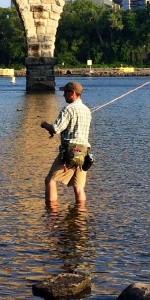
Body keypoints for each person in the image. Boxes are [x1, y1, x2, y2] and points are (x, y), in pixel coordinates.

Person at [41, 81, 92, 209]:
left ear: (72, 93)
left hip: (69, 153)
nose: (63, 95)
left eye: (65, 92)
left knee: (50, 181)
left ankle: (52, 216)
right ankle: (80, 216)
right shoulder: (87, 110)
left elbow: (55, 129)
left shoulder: (68, 109)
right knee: (79, 187)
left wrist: (44, 124)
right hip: (84, 154)